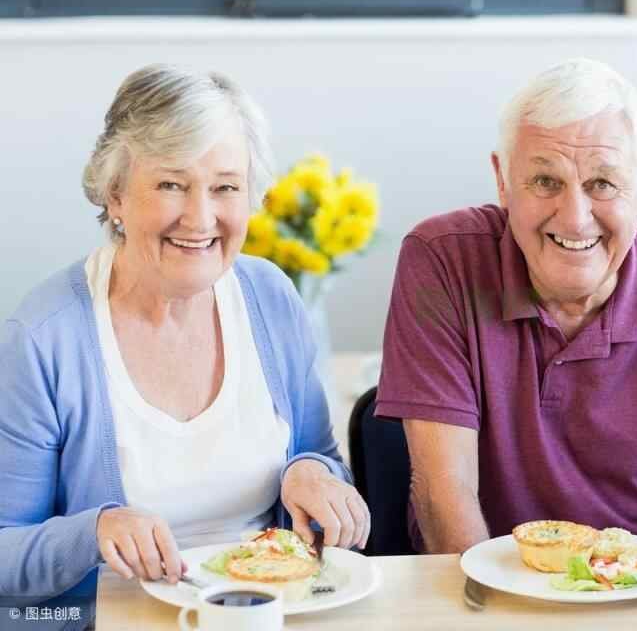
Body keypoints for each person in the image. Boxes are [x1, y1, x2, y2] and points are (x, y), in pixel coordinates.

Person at [375, 58, 637, 575]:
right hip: (486, 588)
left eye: (602, 184)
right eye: (545, 180)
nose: (574, 217)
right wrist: (494, 607)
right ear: (503, 181)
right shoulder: (442, 260)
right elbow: (443, 494)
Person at [0, 65, 369, 616]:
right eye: (171, 184)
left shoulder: (271, 296)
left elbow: (319, 457)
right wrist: (94, 531)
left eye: (225, 187)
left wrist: (311, 473)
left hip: (267, 613)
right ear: (116, 194)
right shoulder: (43, 339)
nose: (200, 218)